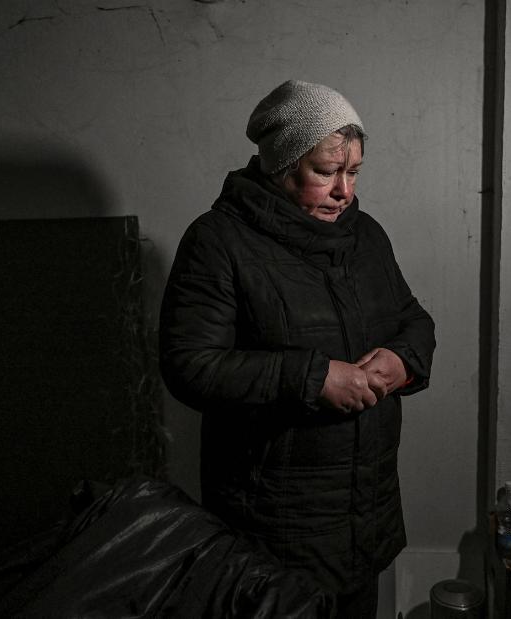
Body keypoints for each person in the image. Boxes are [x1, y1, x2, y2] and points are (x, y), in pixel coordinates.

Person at [159, 79, 436, 618]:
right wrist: (313, 380)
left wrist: (404, 360)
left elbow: (414, 320)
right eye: (326, 172)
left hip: (365, 513)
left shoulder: (366, 236)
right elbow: (189, 365)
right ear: (282, 165)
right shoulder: (218, 242)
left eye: (353, 172)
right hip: (273, 528)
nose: (344, 191)